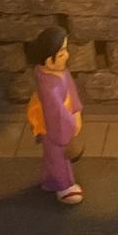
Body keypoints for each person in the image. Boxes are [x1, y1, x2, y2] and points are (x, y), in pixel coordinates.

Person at [24, 26, 84, 205]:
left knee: (52, 156)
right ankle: (63, 186)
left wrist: (76, 110)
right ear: (48, 60)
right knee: (58, 157)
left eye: (65, 50)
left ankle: (49, 180)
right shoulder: (49, 87)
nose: (66, 55)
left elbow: (71, 90)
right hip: (52, 128)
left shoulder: (57, 72)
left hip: (59, 120)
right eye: (61, 53)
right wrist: (71, 125)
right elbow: (57, 113)